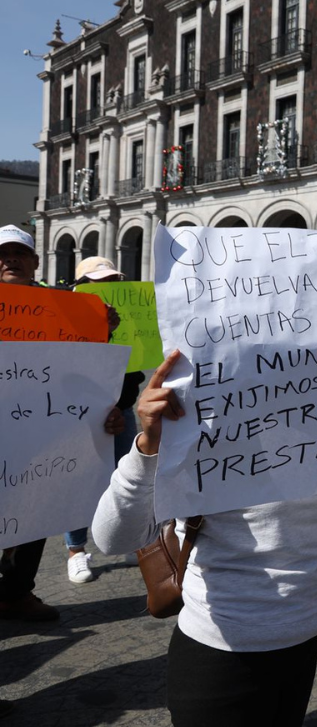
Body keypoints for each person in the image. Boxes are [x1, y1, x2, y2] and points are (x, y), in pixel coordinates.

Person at [91, 350, 317, 725]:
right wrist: (148, 446)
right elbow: (113, 538)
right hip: (220, 650)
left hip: (304, 636)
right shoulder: (193, 420)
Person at [0, 226, 125, 623]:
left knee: (35, 511)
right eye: (2, 254)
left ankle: (18, 593)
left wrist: (104, 328)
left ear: (37, 260)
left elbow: (86, 374)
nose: (10, 261)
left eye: (19, 253)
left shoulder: (62, 307)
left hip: (42, 432)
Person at [61, 256, 145, 585]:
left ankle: (131, 539)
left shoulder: (130, 318)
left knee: (129, 477)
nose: (106, 289)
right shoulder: (64, 320)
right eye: (98, 283)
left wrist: (121, 404)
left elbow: (134, 370)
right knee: (79, 482)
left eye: (111, 281)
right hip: (77, 416)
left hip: (120, 411)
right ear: (81, 287)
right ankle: (75, 550)